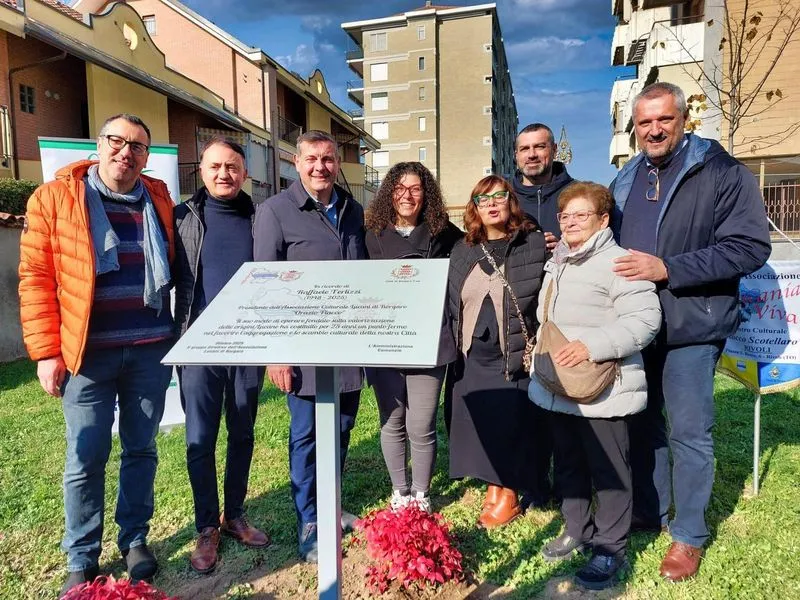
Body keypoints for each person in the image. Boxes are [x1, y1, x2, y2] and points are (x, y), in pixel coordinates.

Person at [610, 82, 771, 582]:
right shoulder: (627, 176)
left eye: (664, 119)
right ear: (635, 128)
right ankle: (650, 510)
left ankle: (689, 534)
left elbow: (749, 246)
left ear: (684, 120)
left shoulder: (721, 171)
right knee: (641, 423)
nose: (654, 130)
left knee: (689, 431)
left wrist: (669, 268)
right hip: (638, 324)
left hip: (692, 324)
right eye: (644, 122)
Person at [18, 114, 175, 597]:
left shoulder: (159, 199)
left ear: (146, 157)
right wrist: (47, 352)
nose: (126, 152)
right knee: (85, 456)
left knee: (141, 449)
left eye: (138, 146)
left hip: (149, 349)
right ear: (99, 144)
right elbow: (36, 277)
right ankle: (82, 555)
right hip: (86, 354)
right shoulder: (55, 198)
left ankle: (135, 539)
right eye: (117, 141)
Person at [528, 182, 661, 590]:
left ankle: (609, 548)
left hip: (604, 387)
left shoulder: (619, 263)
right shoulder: (559, 261)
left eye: (581, 215)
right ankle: (577, 529)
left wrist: (593, 346)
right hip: (562, 384)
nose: (570, 222)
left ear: (603, 220)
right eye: (565, 215)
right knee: (568, 462)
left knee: (609, 471)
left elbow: (645, 320)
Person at [253, 130, 366, 563]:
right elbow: (264, 285)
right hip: (301, 346)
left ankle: (331, 505)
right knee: (306, 435)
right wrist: (276, 353)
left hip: (348, 343)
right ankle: (310, 520)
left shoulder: (353, 209)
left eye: (328, 158)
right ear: (296, 163)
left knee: (341, 428)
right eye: (312, 159)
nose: (321, 166)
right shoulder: (275, 211)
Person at [172, 137, 269, 573]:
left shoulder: (260, 218)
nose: (223, 174)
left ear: (244, 173)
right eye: (215, 166)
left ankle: (235, 515)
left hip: (248, 343)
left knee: (242, 432)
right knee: (201, 438)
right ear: (202, 170)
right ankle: (207, 526)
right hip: (199, 346)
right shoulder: (183, 218)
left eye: (232, 167)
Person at [445, 174, 546, 528]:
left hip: (512, 353)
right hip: (473, 355)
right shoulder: (463, 249)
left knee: (510, 422)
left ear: (510, 201)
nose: (491, 204)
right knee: (482, 421)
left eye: (499, 196)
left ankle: (510, 494)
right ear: (474, 208)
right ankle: (494, 485)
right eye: (482, 199)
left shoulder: (532, 243)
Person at [364, 161, 463, 512]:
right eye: (400, 188)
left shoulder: (445, 234)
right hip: (384, 342)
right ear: (389, 193)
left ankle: (421, 494)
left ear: (426, 195)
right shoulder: (370, 235)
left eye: (416, 188)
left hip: (429, 343)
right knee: (392, 421)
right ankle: (400, 491)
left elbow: (480, 248)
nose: (407, 196)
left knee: (421, 425)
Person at [512, 123, 574, 252]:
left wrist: (569, 252)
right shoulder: (502, 197)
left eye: (539, 147)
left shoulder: (580, 193)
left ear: (554, 150)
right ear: (516, 155)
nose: (532, 155)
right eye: (524, 149)